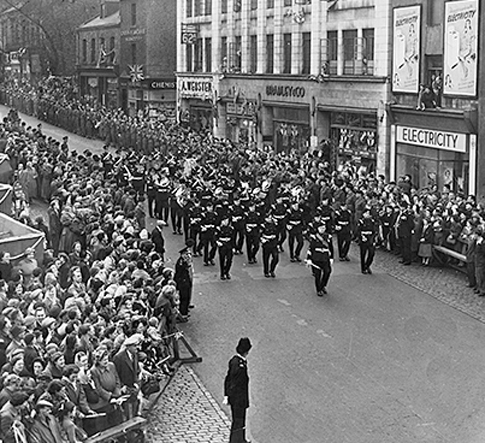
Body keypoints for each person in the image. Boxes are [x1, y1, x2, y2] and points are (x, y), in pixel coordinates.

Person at [224, 337, 252, 443]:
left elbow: (227, 379)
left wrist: (226, 395)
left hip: (236, 398)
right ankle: (236, 441)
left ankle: (240, 439)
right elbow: (235, 384)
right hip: (239, 399)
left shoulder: (234, 361)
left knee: (239, 421)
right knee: (238, 421)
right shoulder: (239, 365)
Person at [306, 223, 334, 296]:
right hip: (316, 258)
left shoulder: (328, 237)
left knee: (328, 271)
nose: (323, 229)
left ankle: (323, 285)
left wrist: (331, 258)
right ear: (318, 229)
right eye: (321, 228)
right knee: (317, 275)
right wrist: (309, 259)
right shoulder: (314, 237)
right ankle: (319, 289)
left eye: (324, 228)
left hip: (325, 258)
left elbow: (331, 248)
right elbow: (310, 249)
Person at [356, 208, 378, 274]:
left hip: (370, 239)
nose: (367, 215)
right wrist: (361, 237)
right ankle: (363, 268)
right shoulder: (361, 221)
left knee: (371, 254)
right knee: (363, 254)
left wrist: (374, 239)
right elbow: (358, 231)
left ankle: (367, 265)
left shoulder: (372, 221)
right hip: (363, 239)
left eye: (368, 213)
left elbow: (374, 231)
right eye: (366, 213)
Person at [215, 215, 235, 280]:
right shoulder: (219, 229)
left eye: (227, 221)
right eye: (224, 221)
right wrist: (217, 242)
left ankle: (226, 271)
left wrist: (234, 247)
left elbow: (233, 238)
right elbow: (215, 237)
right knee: (222, 259)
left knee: (229, 259)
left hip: (229, 245)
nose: (226, 222)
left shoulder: (231, 228)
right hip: (222, 245)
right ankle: (222, 274)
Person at [260, 213, 279, 278]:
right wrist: (262, 240)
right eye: (268, 218)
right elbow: (259, 235)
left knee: (276, 258)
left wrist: (277, 243)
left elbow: (277, 234)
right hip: (267, 243)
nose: (270, 219)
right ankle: (266, 271)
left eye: (270, 218)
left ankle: (272, 270)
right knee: (266, 258)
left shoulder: (275, 224)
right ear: (265, 219)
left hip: (273, 243)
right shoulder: (263, 226)